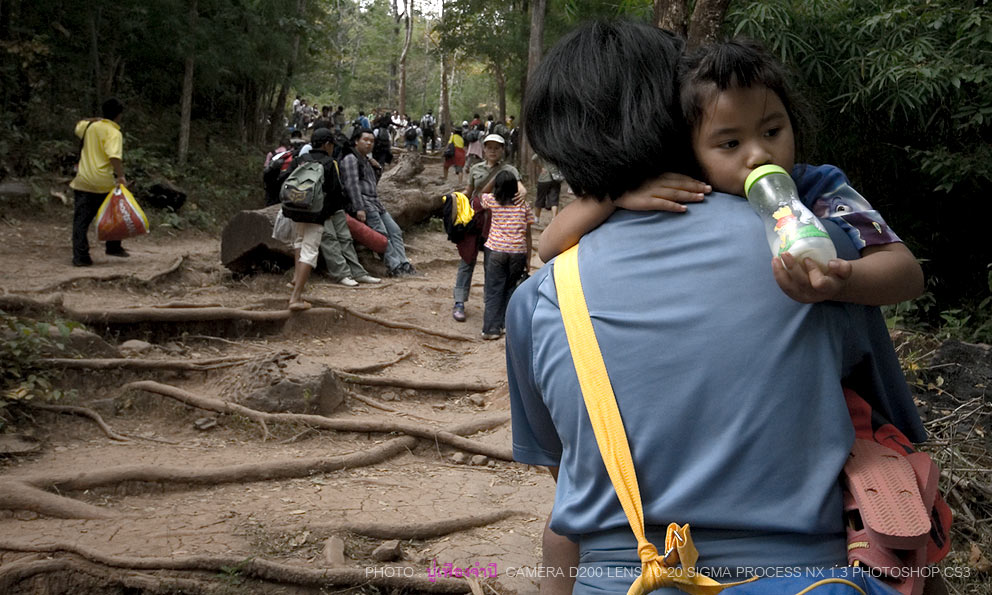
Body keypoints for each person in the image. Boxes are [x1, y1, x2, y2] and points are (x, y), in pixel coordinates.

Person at [508, 20, 926, 595]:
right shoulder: (815, 254)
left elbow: (571, 479)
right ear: (676, 118)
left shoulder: (540, 299)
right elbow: (890, 435)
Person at [539, 38, 923, 307]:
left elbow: (907, 272)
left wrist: (844, 282)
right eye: (730, 143)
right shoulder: (688, 190)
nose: (759, 154)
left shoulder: (819, 187)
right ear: (691, 151)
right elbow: (549, 245)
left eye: (772, 131)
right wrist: (617, 196)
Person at [451, 134, 525, 323]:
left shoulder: (510, 170)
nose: (493, 151)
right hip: (475, 220)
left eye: (497, 148)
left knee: (491, 265)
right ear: (483, 149)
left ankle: (490, 304)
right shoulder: (476, 169)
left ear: (503, 150)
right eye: (489, 147)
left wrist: (520, 196)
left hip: (496, 224)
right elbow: (469, 191)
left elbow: (521, 189)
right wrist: (456, 201)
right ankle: (459, 301)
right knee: (467, 260)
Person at [285, 129, 349, 309]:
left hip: (296, 209)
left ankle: (295, 279)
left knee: (299, 242)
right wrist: (329, 212)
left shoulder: (300, 159)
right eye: (332, 145)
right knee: (310, 251)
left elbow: (285, 180)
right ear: (327, 144)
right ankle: (296, 298)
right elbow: (336, 193)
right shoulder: (329, 163)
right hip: (317, 213)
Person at [339, 128, 417, 277]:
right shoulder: (351, 159)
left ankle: (404, 263)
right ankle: (394, 266)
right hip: (365, 203)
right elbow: (351, 186)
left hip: (376, 202)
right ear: (356, 141)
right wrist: (359, 208)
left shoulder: (366, 160)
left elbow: (373, 184)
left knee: (395, 231)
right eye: (365, 140)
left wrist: (377, 169)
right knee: (381, 235)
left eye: (372, 141)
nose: (369, 143)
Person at [70, 97, 129, 266]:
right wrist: (121, 176)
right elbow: (114, 157)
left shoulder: (89, 126)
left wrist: (94, 119)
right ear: (119, 115)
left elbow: (78, 125)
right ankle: (113, 246)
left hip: (83, 180)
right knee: (114, 214)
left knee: (81, 221)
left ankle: (80, 257)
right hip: (103, 182)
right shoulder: (114, 133)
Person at [480, 170, 533, 339]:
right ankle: (507, 326)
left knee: (494, 289)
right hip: (517, 252)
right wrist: (528, 258)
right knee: (511, 289)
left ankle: (491, 329)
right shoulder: (524, 206)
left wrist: (494, 178)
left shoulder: (492, 201)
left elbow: (481, 193)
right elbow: (528, 234)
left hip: (496, 250)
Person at [531, 154, 563, 223]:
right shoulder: (557, 151)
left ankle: (536, 219)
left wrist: (541, 167)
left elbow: (534, 158)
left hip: (544, 179)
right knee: (554, 200)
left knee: (540, 198)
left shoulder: (544, 151)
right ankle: (554, 219)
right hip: (555, 178)